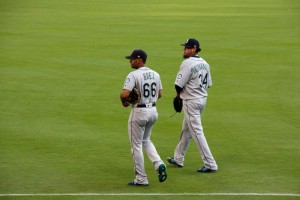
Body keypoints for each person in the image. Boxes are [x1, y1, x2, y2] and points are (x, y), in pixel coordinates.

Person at [167, 38, 218, 173]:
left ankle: (210, 164)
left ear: (194, 49)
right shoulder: (205, 63)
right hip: (202, 100)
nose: (184, 50)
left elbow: (178, 84)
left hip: (191, 102)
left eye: (187, 48)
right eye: (184, 47)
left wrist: (178, 96)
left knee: (196, 132)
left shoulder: (187, 63)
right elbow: (209, 84)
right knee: (187, 130)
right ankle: (178, 158)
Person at [120, 49, 167, 186]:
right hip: (153, 111)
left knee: (136, 145)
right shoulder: (156, 74)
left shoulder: (133, 75)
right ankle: (158, 164)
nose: (130, 61)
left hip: (139, 113)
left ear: (139, 60)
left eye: (132, 59)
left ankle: (141, 178)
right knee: (146, 140)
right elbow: (160, 94)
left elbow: (124, 94)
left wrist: (125, 101)